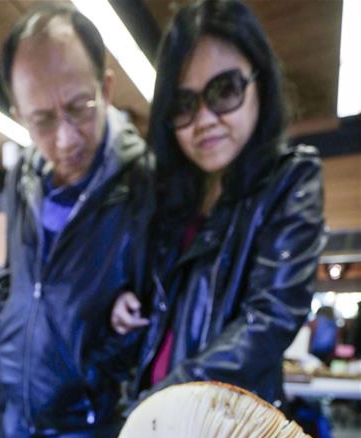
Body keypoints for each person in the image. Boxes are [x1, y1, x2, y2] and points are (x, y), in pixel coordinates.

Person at [111, 0, 325, 409]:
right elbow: (152, 299)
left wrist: (168, 396)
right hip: (153, 414)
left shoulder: (290, 179)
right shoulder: (168, 192)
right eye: (184, 104)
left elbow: (269, 319)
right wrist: (124, 303)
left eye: (224, 90)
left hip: (227, 427)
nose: (204, 119)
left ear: (259, 82)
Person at [0, 4, 155, 438]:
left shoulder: (142, 179)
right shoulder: (21, 177)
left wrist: (99, 368)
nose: (66, 139)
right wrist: (4, 335)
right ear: (20, 114)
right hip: (16, 404)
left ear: (105, 88)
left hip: (88, 416)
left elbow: (150, 308)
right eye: (42, 120)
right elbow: (15, 275)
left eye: (79, 108)